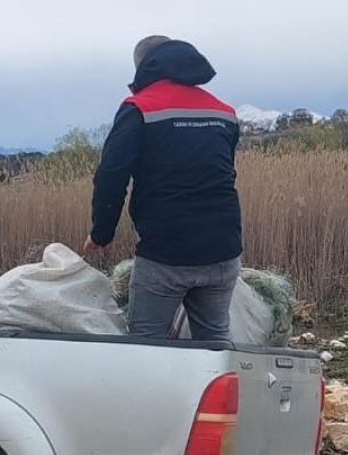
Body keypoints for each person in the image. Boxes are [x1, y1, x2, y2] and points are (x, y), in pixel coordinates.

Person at [83, 35, 243, 342]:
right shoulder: (224, 112)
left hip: (166, 254)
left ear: (143, 67)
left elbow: (112, 175)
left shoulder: (139, 107)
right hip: (224, 249)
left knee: (147, 343)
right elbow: (221, 172)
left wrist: (101, 233)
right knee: (214, 342)